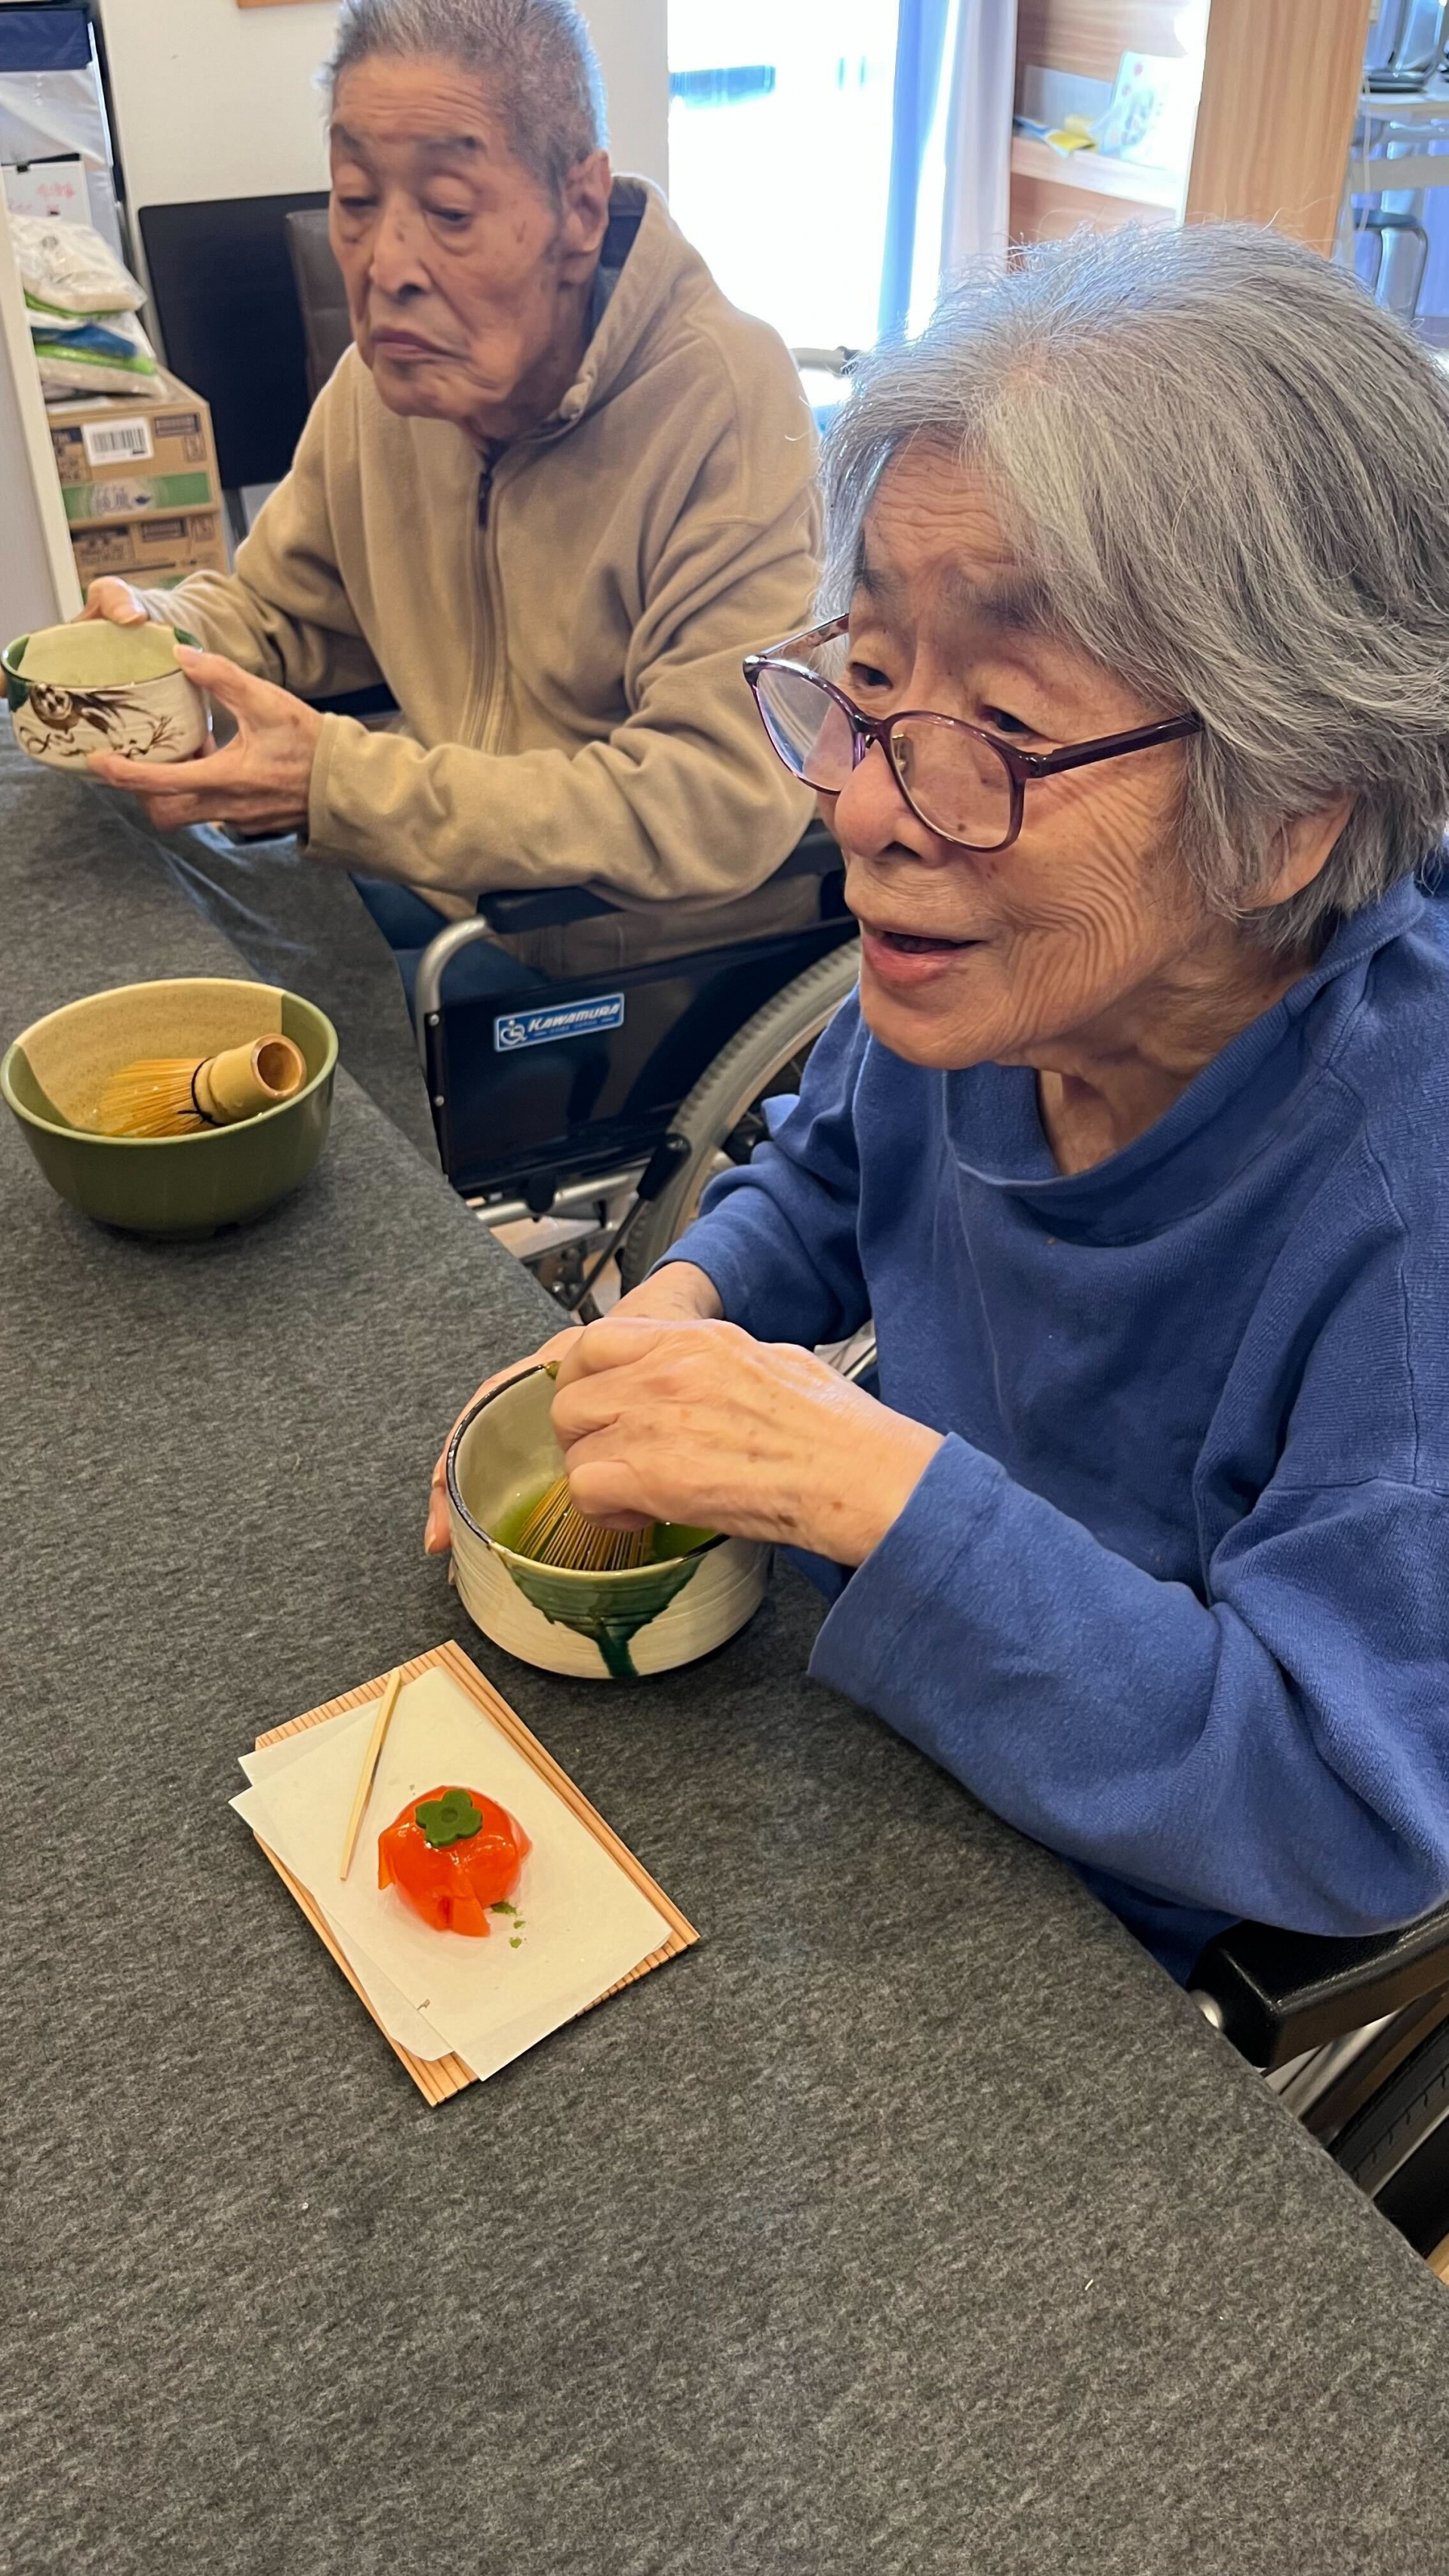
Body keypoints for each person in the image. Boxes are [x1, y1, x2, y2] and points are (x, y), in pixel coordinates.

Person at [428, 223, 1449, 1986]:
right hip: (883, 1724)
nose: (866, 808)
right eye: (873, 681)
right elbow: (833, 1170)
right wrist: (676, 1309)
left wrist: (868, 1489)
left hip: (1103, 1905)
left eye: (1003, 723)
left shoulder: (1402, 1210)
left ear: (1293, 806)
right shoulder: (988, 984)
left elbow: (1342, 1804)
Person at [80, 0, 817, 1001]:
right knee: (121, 925)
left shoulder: (723, 401)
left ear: (580, 210)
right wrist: (156, 636)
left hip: (625, 955)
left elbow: (716, 803)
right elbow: (283, 612)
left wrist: (338, 784)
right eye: (355, 201)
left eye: (451, 212)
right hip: (437, 885)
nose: (385, 269)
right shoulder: (383, 386)